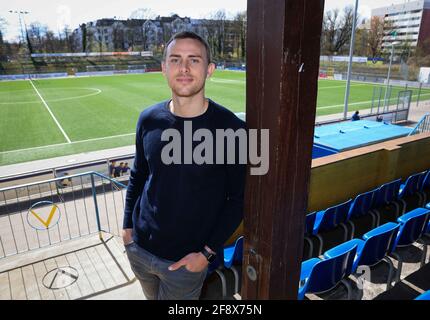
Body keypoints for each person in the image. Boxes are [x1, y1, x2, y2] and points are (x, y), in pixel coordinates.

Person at [122, 31, 246, 300]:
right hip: (139, 250)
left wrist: (206, 254)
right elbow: (138, 176)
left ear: (210, 69)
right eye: (176, 60)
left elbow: (238, 200)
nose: (185, 68)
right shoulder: (148, 119)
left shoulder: (233, 130)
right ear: (164, 68)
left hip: (186, 265)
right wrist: (127, 229)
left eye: (194, 60)